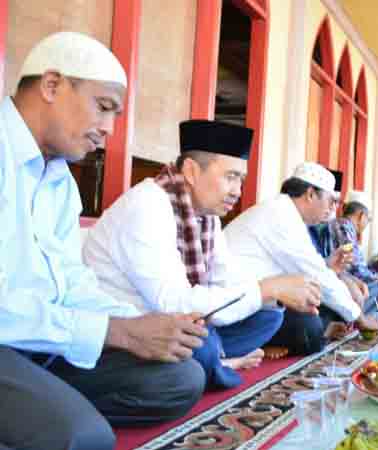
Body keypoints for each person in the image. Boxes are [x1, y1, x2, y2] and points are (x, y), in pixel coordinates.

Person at [0, 32, 207, 450]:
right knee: (83, 438)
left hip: (42, 342)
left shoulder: (59, 181)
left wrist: (137, 325)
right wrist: (118, 333)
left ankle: (44, 404)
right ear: (52, 85)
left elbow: (72, 283)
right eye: (104, 107)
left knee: (184, 375)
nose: (110, 129)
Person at [83, 120, 321, 389]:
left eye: (240, 180)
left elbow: (229, 280)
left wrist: (277, 294)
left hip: (186, 321)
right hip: (130, 330)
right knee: (195, 358)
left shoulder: (208, 218)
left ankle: (215, 358)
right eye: (230, 177)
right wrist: (268, 288)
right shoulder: (148, 206)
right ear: (192, 171)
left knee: (270, 316)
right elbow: (174, 305)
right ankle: (219, 362)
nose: (237, 191)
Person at [224, 163, 378, 356]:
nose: (332, 209)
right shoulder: (281, 216)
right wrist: (360, 318)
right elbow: (317, 275)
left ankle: (320, 329)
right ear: (310, 194)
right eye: (331, 201)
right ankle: (256, 345)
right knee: (311, 331)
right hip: (237, 308)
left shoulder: (286, 213)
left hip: (265, 301)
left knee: (322, 307)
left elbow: (311, 273)